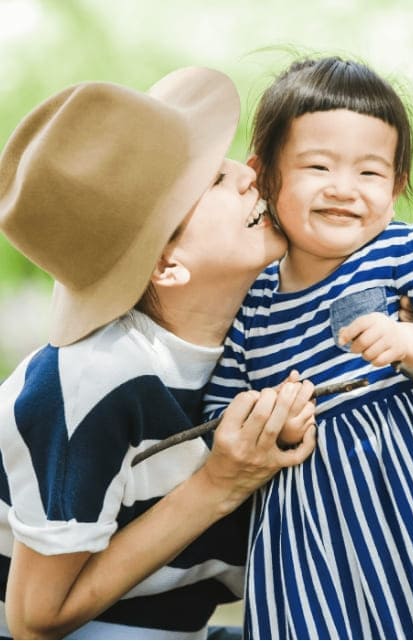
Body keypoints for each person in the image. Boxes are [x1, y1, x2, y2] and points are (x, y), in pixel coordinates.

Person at [0, 67, 317, 639]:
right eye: (213, 182)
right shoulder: (88, 383)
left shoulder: (261, 329)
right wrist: (220, 482)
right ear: (167, 265)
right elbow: (33, 620)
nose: (248, 175)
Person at [203, 56, 413, 639]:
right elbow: (218, 411)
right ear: (265, 176)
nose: (344, 190)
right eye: (317, 166)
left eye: (371, 174)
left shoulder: (405, 250)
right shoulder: (255, 293)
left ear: (395, 188)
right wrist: (270, 425)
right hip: (306, 510)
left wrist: (409, 341)